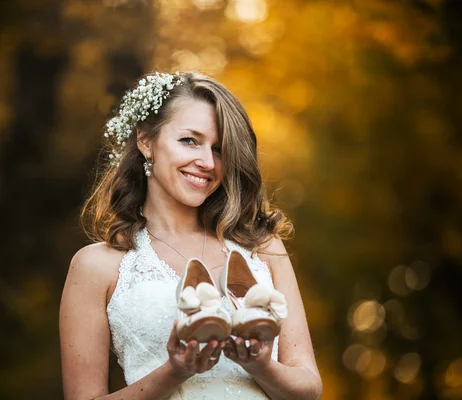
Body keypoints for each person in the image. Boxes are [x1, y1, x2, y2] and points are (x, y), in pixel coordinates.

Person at [59, 71, 323, 400]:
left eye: (219, 149)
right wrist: (176, 370)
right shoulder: (95, 266)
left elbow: (309, 390)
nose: (206, 162)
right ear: (146, 141)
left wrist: (261, 366)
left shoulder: (263, 248)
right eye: (190, 141)